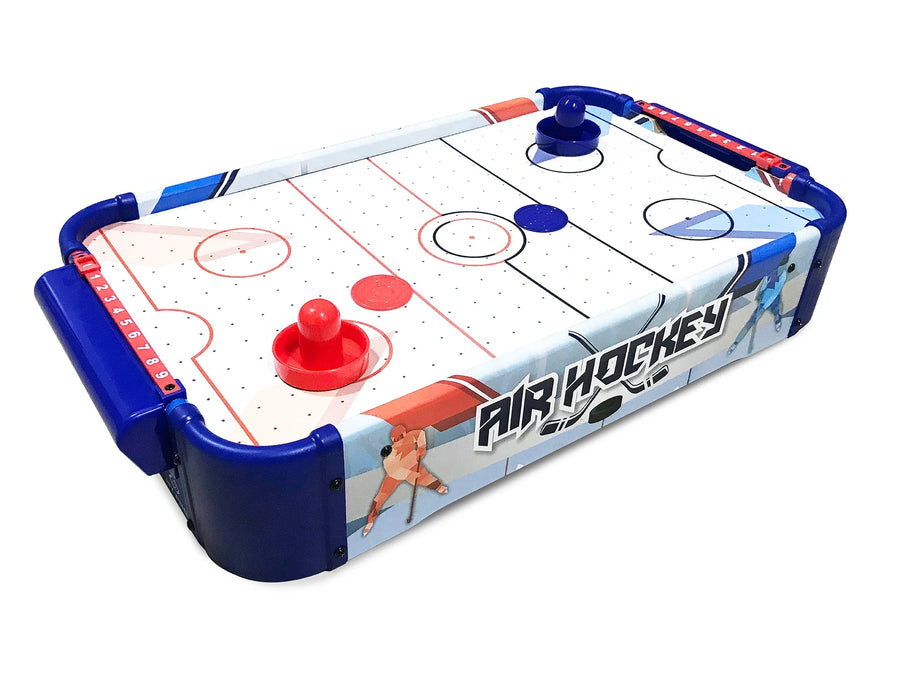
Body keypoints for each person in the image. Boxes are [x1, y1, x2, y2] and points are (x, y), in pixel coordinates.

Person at [362, 424, 448, 536]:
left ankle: (440, 487)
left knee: (427, 479)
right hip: (395, 475)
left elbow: (420, 433)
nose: (399, 441)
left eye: (400, 437)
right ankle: (370, 523)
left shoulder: (410, 436)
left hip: (412, 463)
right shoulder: (389, 459)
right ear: (392, 440)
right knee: (379, 499)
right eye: (396, 439)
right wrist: (412, 475)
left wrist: (421, 448)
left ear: (404, 434)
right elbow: (396, 471)